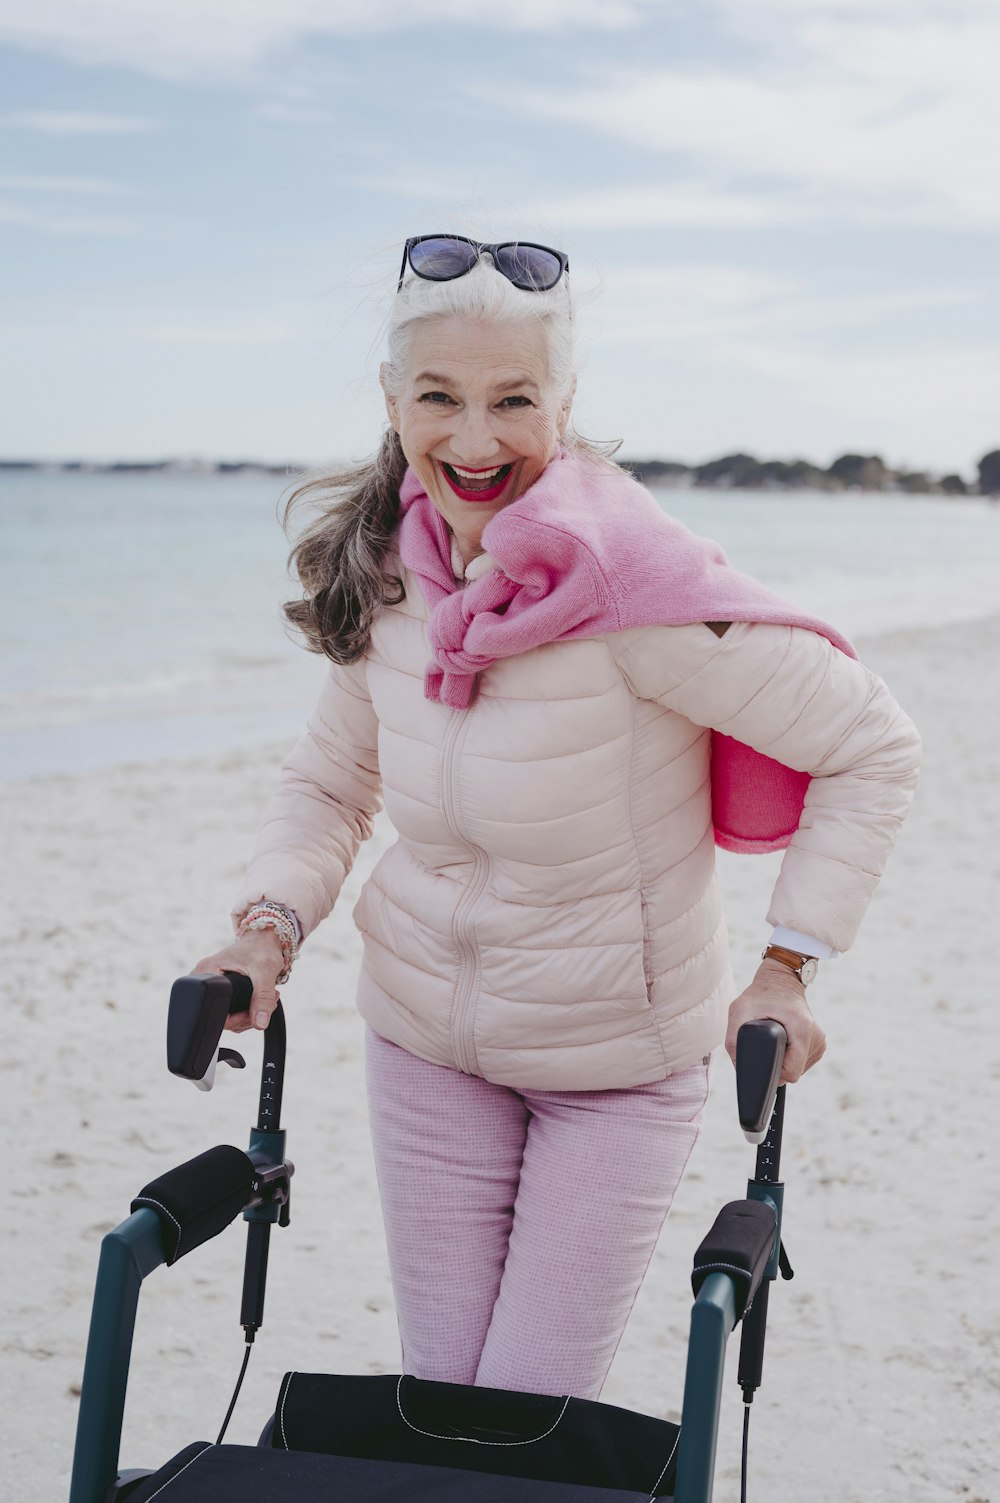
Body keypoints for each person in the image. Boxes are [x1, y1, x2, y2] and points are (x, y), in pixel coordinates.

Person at [193, 235, 921, 1402]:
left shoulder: (638, 590)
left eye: (513, 400)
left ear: (565, 403)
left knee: (526, 1412)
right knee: (441, 1404)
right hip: (425, 1046)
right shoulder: (387, 576)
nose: (474, 441)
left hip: (615, 1069)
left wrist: (787, 969)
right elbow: (332, 784)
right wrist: (265, 929)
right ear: (392, 399)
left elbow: (870, 746)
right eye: (438, 396)